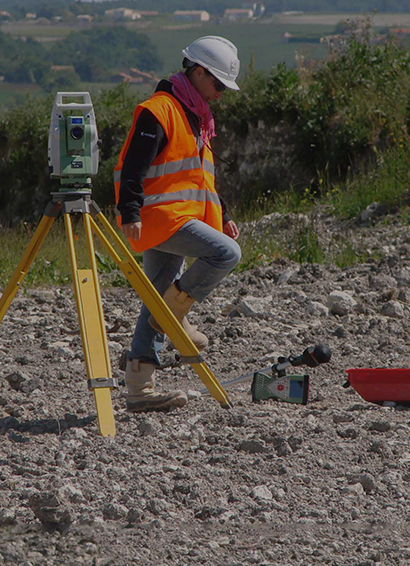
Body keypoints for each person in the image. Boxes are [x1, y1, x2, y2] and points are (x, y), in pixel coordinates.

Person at [113, 36, 243, 413]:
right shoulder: (160, 110)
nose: (221, 93)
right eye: (218, 84)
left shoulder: (196, 116)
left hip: (174, 219)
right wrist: (131, 212)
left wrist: (227, 214)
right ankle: (171, 318)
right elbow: (133, 166)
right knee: (225, 253)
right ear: (198, 72)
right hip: (160, 220)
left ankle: (139, 388)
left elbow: (202, 178)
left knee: (156, 295)